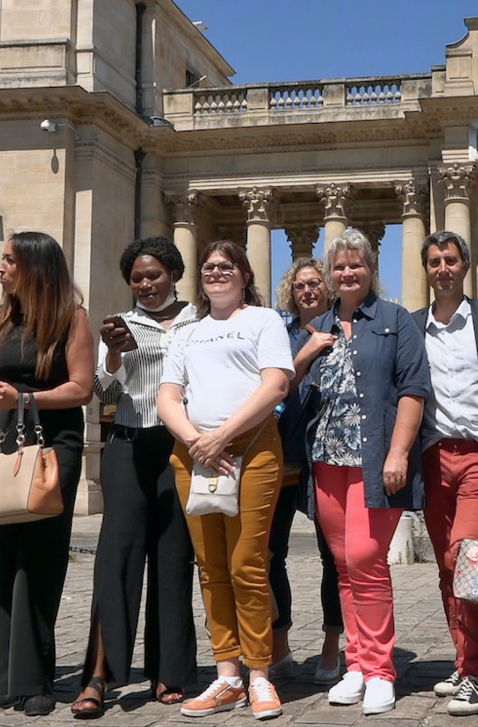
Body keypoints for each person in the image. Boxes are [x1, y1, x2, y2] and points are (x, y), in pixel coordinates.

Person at [0, 231, 95, 716]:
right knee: (5, 558)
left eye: (8, 260)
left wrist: (25, 398)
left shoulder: (71, 318)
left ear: (34, 265)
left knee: (42, 561)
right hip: (7, 445)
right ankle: (7, 679)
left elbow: (81, 389)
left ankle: (36, 682)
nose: (0, 267)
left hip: (55, 447)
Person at [294, 228, 429, 716]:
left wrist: (398, 453)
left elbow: (413, 389)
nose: (346, 272)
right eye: (339, 266)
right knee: (346, 568)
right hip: (327, 462)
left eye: (356, 264)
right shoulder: (320, 326)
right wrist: (305, 355)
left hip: (374, 462)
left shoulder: (395, 320)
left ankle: (379, 670)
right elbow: (293, 393)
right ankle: (356, 663)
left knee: (367, 559)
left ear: (371, 268)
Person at [157, 240, 294, 721]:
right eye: (209, 267)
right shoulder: (187, 332)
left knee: (247, 564)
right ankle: (227, 675)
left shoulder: (263, 320)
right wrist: (198, 441)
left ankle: (260, 675)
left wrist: (223, 437)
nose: (216, 273)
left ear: (243, 274)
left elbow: (276, 383)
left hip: (251, 451)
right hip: (193, 455)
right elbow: (168, 397)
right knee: (210, 567)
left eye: (226, 266)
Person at [71, 237, 199, 719]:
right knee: (115, 559)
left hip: (179, 446)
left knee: (172, 557)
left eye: (154, 275)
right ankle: (99, 676)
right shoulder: (121, 326)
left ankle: (169, 671)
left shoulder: (200, 321)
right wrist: (112, 356)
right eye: (138, 278)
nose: (146, 284)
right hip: (127, 444)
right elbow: (102, 392)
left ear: (173, 274)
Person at [411, 231, 478, 716]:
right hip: (433, 458)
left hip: (477, 456)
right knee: (447, 567)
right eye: (434, 261)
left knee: (469, 561)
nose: (443, 268)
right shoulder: (413, 327)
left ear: (466, 266)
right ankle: (463, 658)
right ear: (426, 269)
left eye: (451, 260)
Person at [271, 258, 344, 684]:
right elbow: (275, 389)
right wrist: (306, 354)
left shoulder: (342, 328)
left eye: (315, 283)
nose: (307, 291)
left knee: (332, 558)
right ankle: (279, 646)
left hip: (326, 459)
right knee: (269, 556)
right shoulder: (279, 334)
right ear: (290, 291)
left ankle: (331, 645)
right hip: (281, 458)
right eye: (299, 285)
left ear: (327, 288)